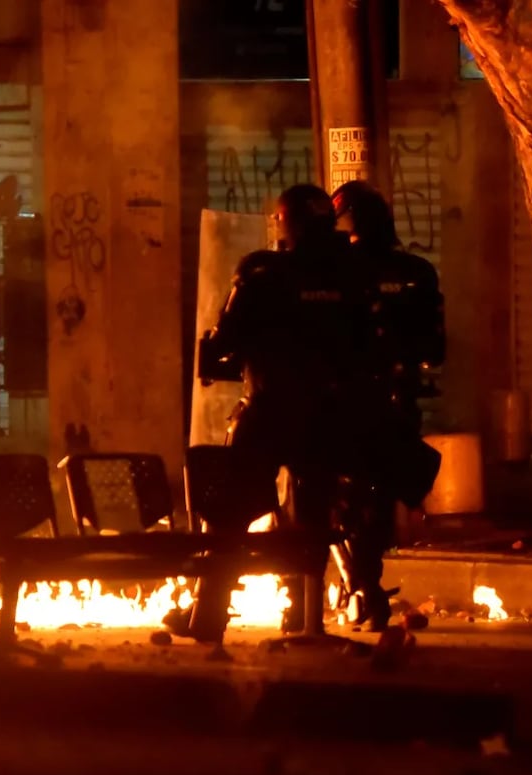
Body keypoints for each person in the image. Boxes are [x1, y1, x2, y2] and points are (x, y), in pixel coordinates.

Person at [184, 183, 375, 641]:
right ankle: (301, 616)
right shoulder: (352, 272)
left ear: (285, 222)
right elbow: (368, 342)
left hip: (267, 411)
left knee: (231, 515)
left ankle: (209, 616)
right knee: (309, 517)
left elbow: (224, 341)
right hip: (327, 414)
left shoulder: (262, 272)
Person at [330, 180, 446, 630]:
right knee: (375, 500)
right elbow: (435, 349)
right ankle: (364, 586)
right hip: (398, 404)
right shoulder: (418, 272)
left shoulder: (336, 271)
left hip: (346, 405)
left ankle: (362, 588)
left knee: (335, 497)